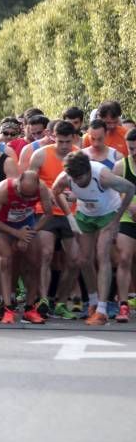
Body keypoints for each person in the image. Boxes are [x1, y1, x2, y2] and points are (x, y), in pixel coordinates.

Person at [52, 151, 135, 325]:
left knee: (102, 254)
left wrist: (117, 219)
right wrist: (69, 216)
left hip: (108, 214)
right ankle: (93, 302)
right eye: (73, 178)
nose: (76, 181)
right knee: (83, 259)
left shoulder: (103, 176)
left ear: (88, 171)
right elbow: (55, 191)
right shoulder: (67, 178)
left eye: (79, 177)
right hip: (85, 215)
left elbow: (130, 188)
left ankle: (102, 311)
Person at [0, 171, 54, 323]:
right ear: (18, 184)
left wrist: (29, 233)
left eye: (31, 197)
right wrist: (16, 234)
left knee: (35, 263)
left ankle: (30, 308)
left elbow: (48, 214)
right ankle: (7, 308)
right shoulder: (3, 189)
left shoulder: (42, 189)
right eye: (23, 195)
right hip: (4, 225)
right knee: (5, 262)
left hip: (26, 224)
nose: (26, 199)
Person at [28, 120, 80, 319]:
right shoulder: (40, 154)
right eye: (60, 141)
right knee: (46, 254)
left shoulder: (79, 156)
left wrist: (75, 195)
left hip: (71, 213)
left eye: (68, 141)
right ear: (52, 137)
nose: (64, 146)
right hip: (46, 211)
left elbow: (87, 183)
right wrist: (47, 191)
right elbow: (29, 181)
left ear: (74, 139)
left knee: (75, 259)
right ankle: (43, 300)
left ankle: (61, 301)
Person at [113, 128, 136, 322]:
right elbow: (113, 194)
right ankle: (123, 304)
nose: (134, 153)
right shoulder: (121, 166)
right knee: (124, 258)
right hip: (127, 216)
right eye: (131, 149)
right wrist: (129, 205)